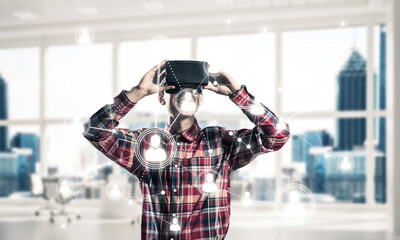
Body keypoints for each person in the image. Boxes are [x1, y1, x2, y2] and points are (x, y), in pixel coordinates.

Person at [83, 59, 290, 240]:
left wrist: (239, 95)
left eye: (193, 93)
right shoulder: (145, 144)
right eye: (176, 90)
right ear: (162, 97)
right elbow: (94, 131)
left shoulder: (220, 143)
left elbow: (277, 135)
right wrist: (136, 94)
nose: (186, 97)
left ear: (200, 99)